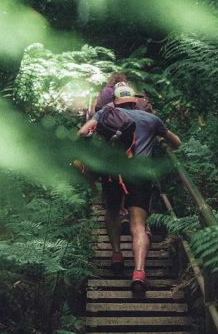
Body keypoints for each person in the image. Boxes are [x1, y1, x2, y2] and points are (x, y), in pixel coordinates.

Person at [77, 84, 181, 291]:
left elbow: (81, 133)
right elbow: (177, 143)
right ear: (136, 101)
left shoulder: (104, 113)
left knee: (113, 212)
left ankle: (116, 254)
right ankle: (139, 271)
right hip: (140, 176)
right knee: (138, 225)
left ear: (115, 101)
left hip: (113, 173)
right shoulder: (152, 119)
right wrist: (157, 136)